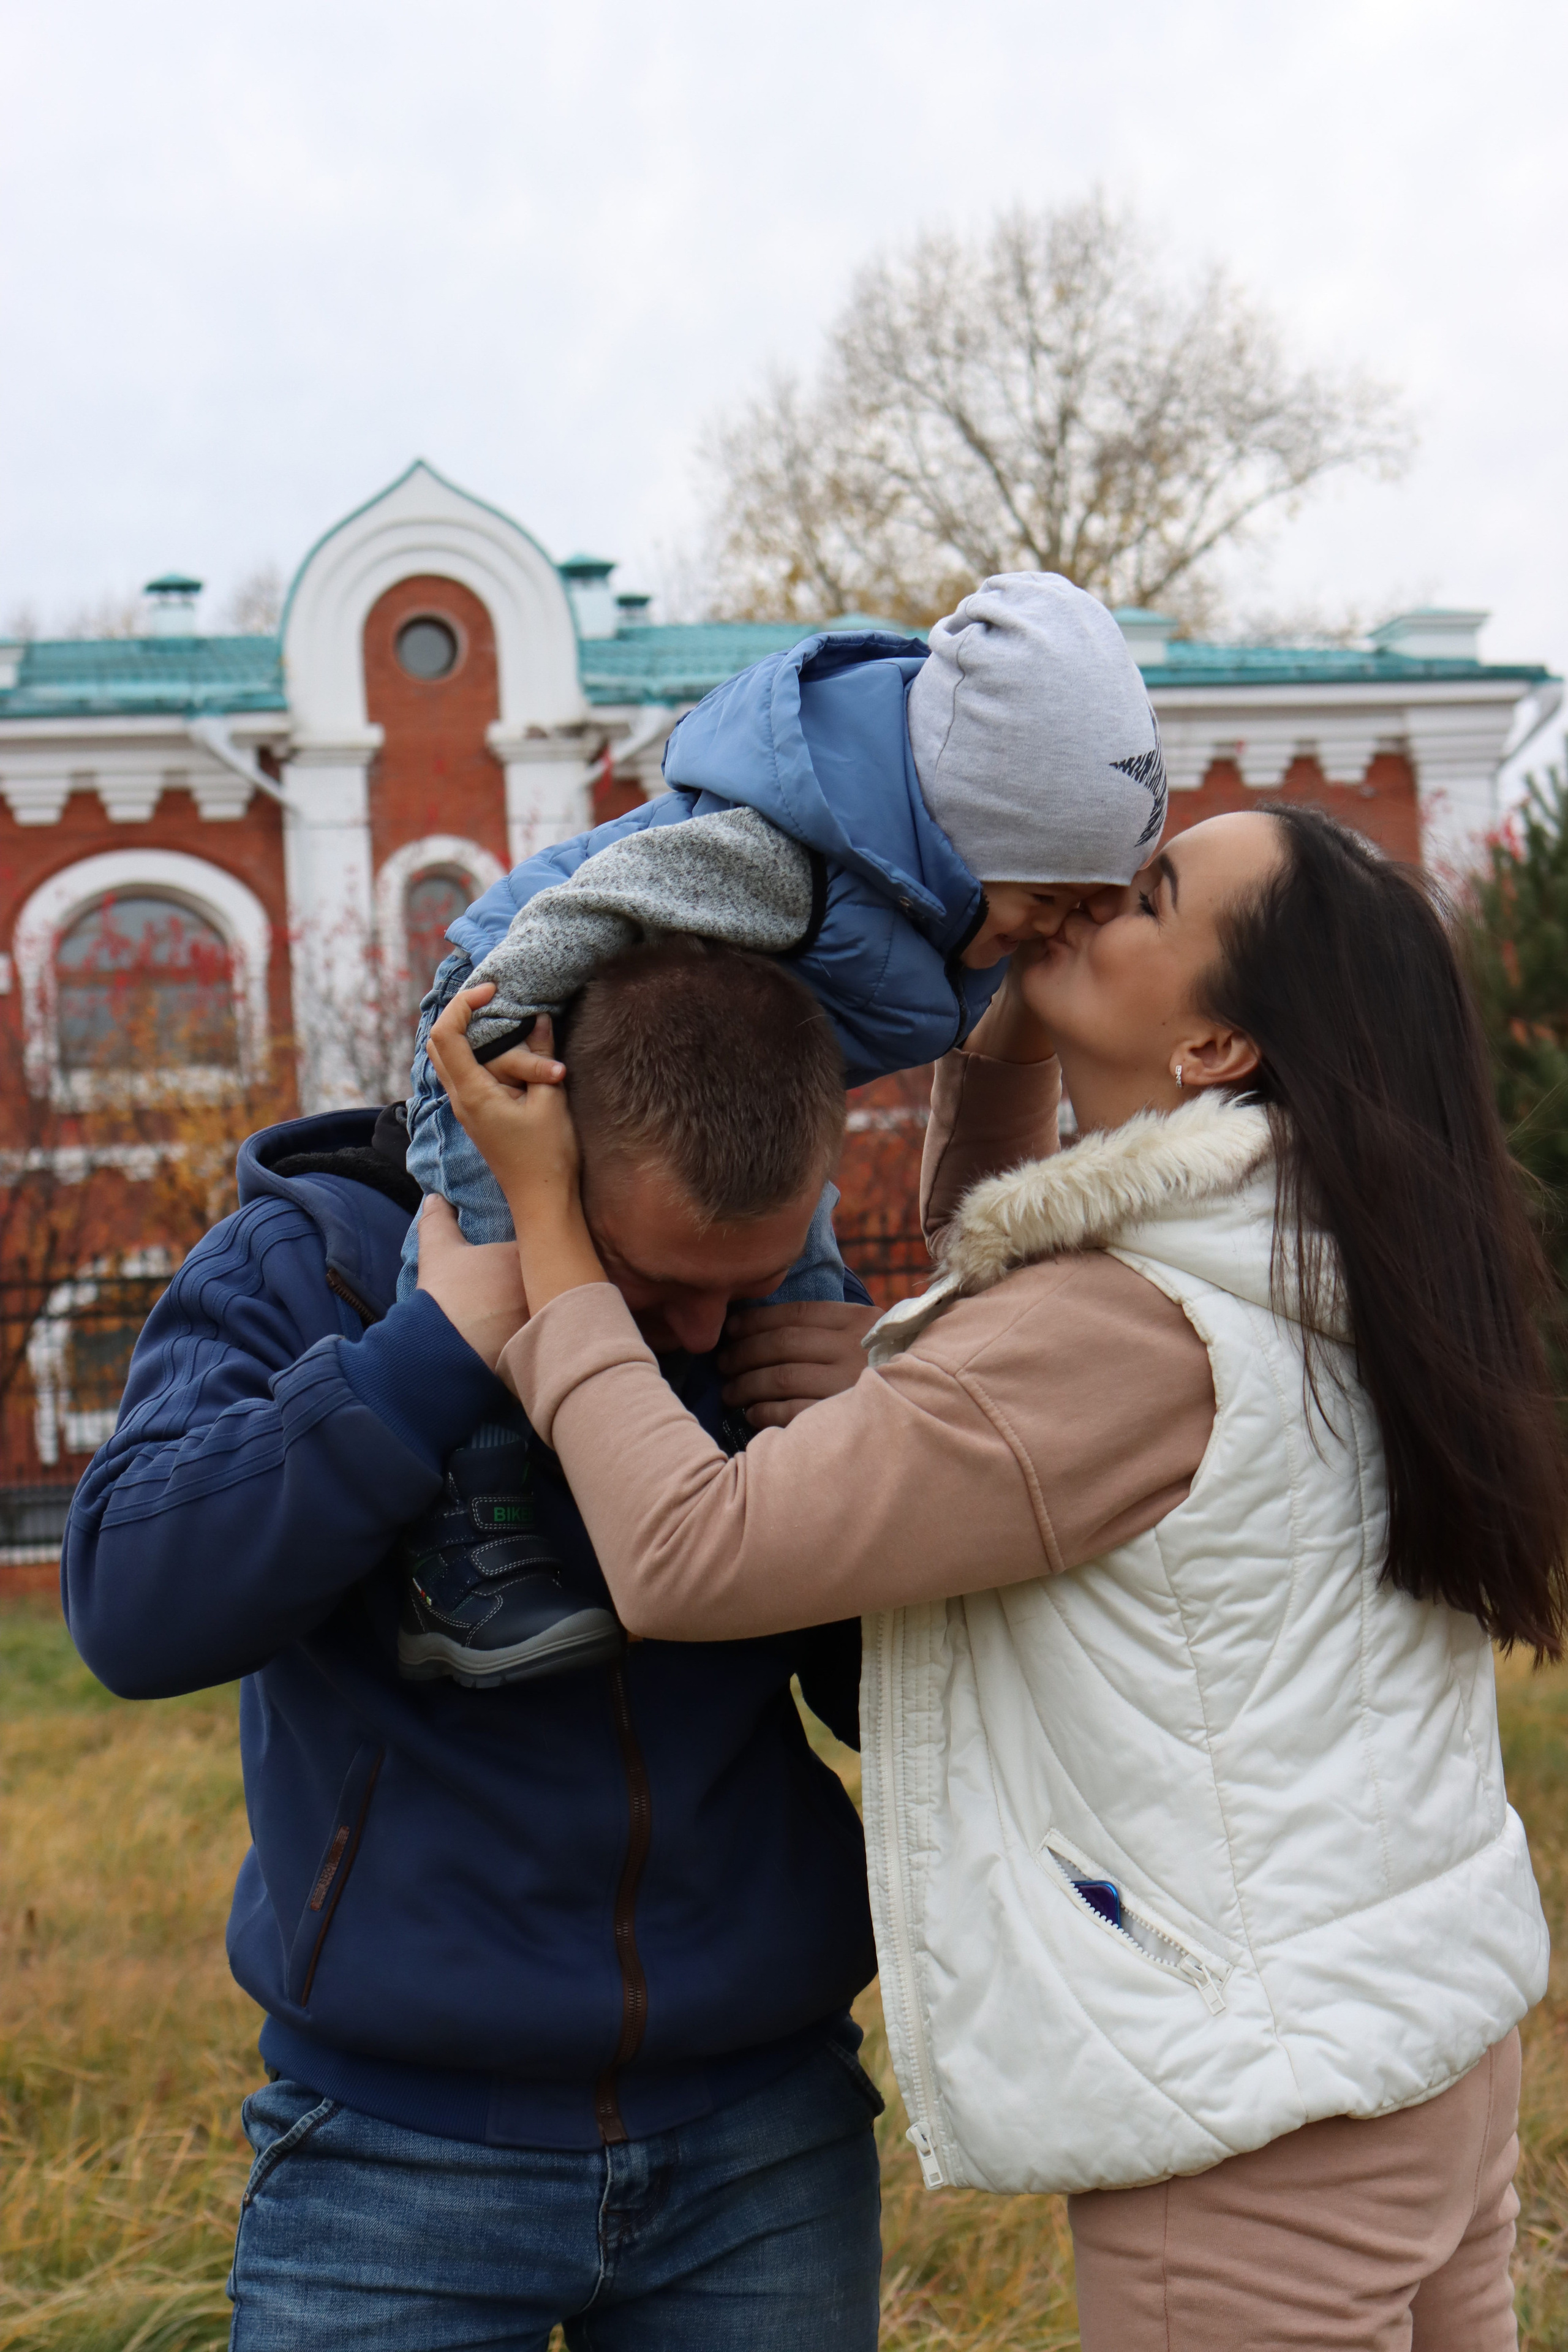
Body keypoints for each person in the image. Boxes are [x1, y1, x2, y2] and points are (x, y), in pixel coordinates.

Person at [426, 805, 1566, 2350]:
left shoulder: (1123, 1333)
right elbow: (1012, 1273)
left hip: (1257, 2135)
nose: (1088, 898)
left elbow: (687, 1553)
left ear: (1216, 1043)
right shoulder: (1327, 1239)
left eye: (1143, 896)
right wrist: (1008, 1027)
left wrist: (546, 1240)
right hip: (1419, 2041)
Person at [62, 942, 891, 2352]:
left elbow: (886, 1701)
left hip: (766, 2143)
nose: (702, 1330)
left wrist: (878, 1445)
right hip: (393, 2150)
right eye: (651, 1280)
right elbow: (132, 1609)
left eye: (741, 1283)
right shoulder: (314, 1260)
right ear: (536, 1155)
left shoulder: (766, 1301)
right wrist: (422, 1358)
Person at [393, 571, 1163, 1682]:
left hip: (725, 1097)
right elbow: (596, 905)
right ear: (963, 830)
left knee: (805, 1305)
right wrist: (495, 1038)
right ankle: (463, 1538)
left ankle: (806, 1536)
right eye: (1048, 898)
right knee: (498, 1270)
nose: (1061, 930)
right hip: (516, 1019)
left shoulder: (948, 899)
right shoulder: (780, 859)